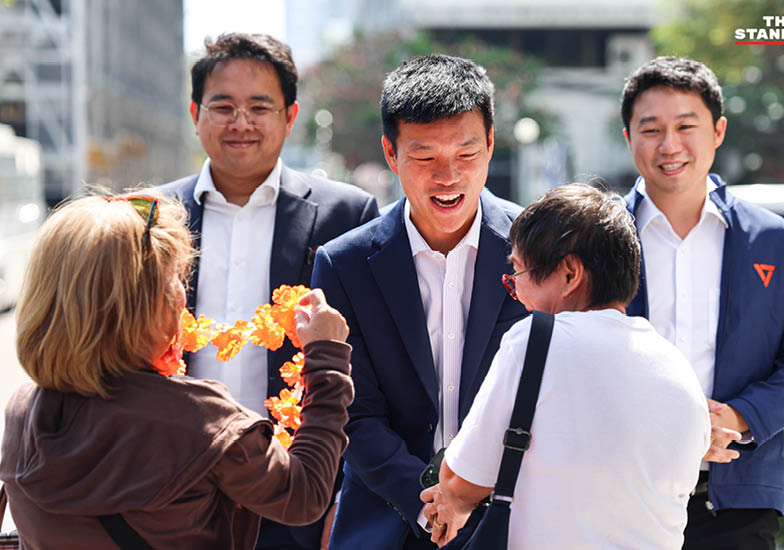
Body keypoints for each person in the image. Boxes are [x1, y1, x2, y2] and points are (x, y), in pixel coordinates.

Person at [0, 193, 354, 549]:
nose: (183, 296)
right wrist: (327, 357)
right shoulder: (200, 420)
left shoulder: (23, 410)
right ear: (142, 308)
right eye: (175, 280)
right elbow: (304, 495)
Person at [158, 33, 378, 550]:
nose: (241, 122)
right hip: (172, 488)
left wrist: (345, 496)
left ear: (290, 115)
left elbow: (368, 367)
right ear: (196, 113)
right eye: (223, 106)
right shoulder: (152, 216)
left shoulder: (347, 216)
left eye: (260, 106)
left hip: (296, 484)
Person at [311, 54, 529, 550]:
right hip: (387, 521)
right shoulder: (343, 264)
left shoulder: (538, 251)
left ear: (492, 144)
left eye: (467, 154)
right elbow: (355, 414)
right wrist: (431, 503)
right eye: (425, 157)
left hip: (514, 521)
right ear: (391, 153)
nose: (447, 176)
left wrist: (471, 497)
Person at [620, 56, 784, 549]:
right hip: (621, 491)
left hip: (737, 498)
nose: (669, 145)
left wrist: (738, 418)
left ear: (717, 131)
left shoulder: (771, 240)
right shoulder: (596, 238)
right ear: (629, 137)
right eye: (651, 129)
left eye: (686, 126)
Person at [419, 183, 711, 549]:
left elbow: (462, 483)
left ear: (570, 273)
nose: (519, 295)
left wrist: (449, 499)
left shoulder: (536, 341)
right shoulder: (678, 369)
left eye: (519, 276)